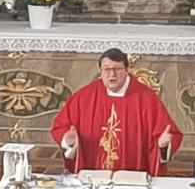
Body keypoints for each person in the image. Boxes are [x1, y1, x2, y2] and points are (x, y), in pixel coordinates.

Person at [51, 48, 182, 176]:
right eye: (107, 69)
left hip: (133, 178)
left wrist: (163, 146)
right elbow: (61, 127)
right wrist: (69, 141)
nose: (112, 74)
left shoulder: (147, 99)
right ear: (100, 71)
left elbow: (168, 135)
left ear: (127, 70)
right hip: (93, 178)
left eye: (118, 69)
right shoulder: (84, 97)